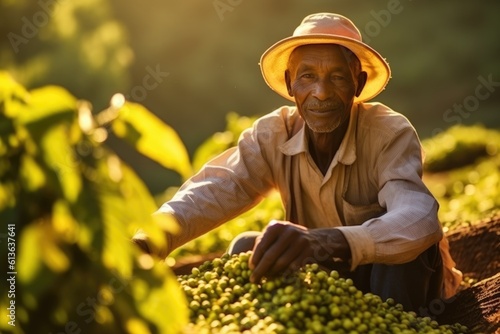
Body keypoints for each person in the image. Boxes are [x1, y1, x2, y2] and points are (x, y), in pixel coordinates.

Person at [133, 13, 462, 313]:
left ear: (357, 85)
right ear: (291, 84)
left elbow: (419, 219)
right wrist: (150, 239)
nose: (321, 92)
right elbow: (214, 189)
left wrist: (326, 239)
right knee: (247, 247)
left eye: (336, 77)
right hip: (333, 281)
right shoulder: (273, 135)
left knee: (401, 257)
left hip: (405, 286)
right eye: (307, 77)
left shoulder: (389, 133)